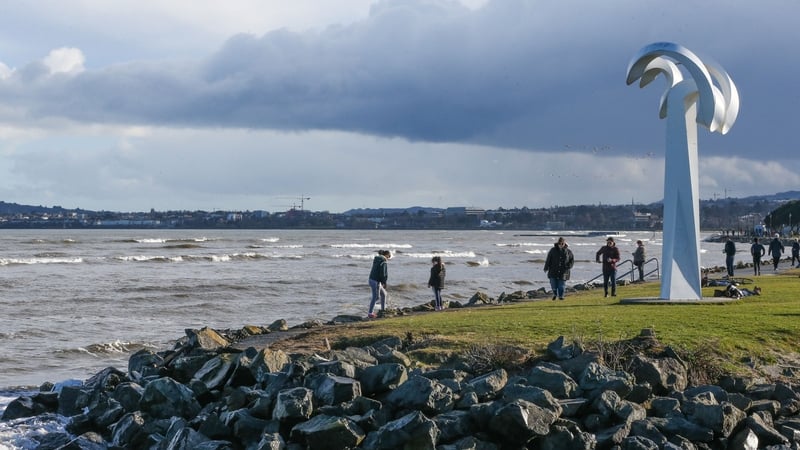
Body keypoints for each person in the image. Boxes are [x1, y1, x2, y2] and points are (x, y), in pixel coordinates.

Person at [367, 250, 391, 318]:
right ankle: (370, 313)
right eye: (389, 257)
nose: (388, 259)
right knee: (376, 297)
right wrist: (384, 282)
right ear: (386, 255)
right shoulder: (383, 261)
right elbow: (383, 273)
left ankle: (383, 310)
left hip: (372, 279)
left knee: (383, 294)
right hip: (375, 281)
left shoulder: (377, 259)